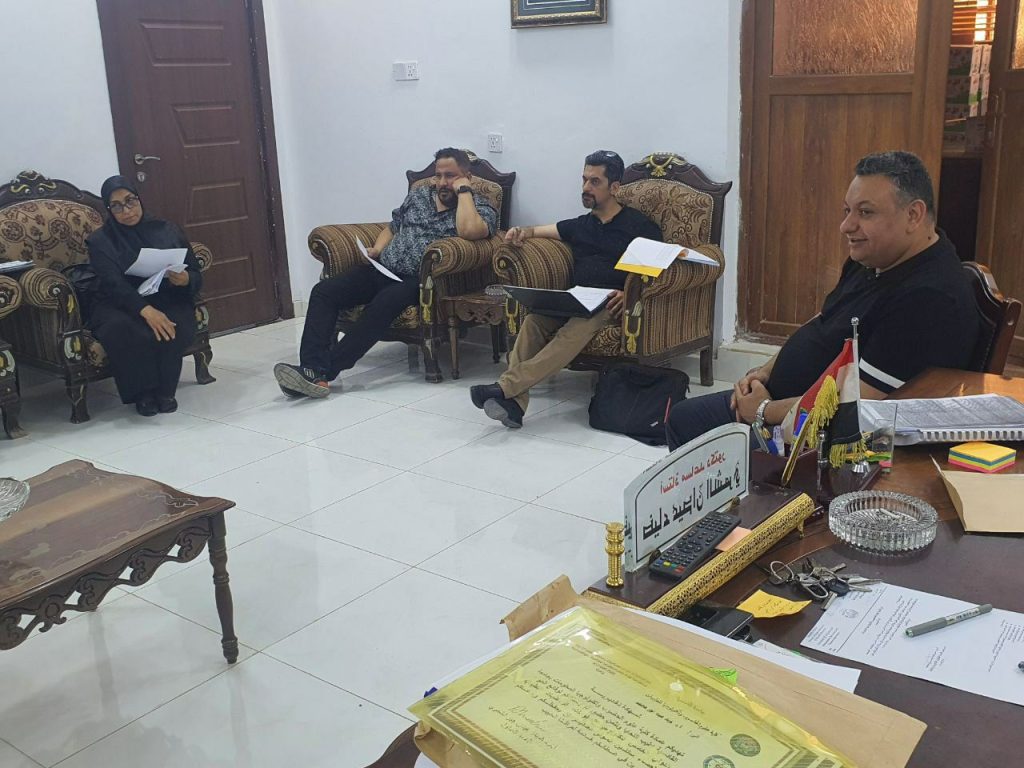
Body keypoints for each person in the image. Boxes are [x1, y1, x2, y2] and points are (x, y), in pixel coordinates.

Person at [666, 150, 980, 450]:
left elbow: (855, 408)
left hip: (818, 441)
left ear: (913, 215)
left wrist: (763, 410)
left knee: (702, 447)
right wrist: (764, 372)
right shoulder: (874, 259)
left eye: (865, 212)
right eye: (847, 211)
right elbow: (823, 320)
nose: (847, 226)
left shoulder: (928, 299)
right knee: (681, 419)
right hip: (781, 402)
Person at [274, 147, 498, 398]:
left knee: (384, 303)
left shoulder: (481, 206)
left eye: (451, 176)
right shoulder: (419, 195)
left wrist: (464, 192)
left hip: (419, 281)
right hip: (383, 269)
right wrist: (377, 249)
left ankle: (324, 372)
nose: (442, 182)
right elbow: (392, 228)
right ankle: (311, 369)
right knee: (324, 291)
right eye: (438, 175)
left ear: (467, 176)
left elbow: (470, 231)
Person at [469, 150, 661, 428]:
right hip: (575, 298)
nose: (586, 188)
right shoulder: (581, 224)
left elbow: (656, 268)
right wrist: (520, 232)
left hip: (609, 304)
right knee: (534, 321)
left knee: (576, 329)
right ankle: (514, 405)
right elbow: (537, 231)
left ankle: (505, 387)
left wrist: (630, 294)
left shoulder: (639, 226)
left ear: (615, 188)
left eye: (595, 182)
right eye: (584, 180)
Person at [86, 176, 202, 417]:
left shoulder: (167, 230)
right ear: (109, 209)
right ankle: (143, 394)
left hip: (165, 295)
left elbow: (194, 271)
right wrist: (146, 311)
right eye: (117, 206)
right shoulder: (100, 242)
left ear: (139, 199)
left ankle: (165, 391)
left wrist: (185, 279)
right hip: (118, 302)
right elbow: (114, 284)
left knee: (173, 323)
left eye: (131, 201)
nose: (127, 211)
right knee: (122, 328)